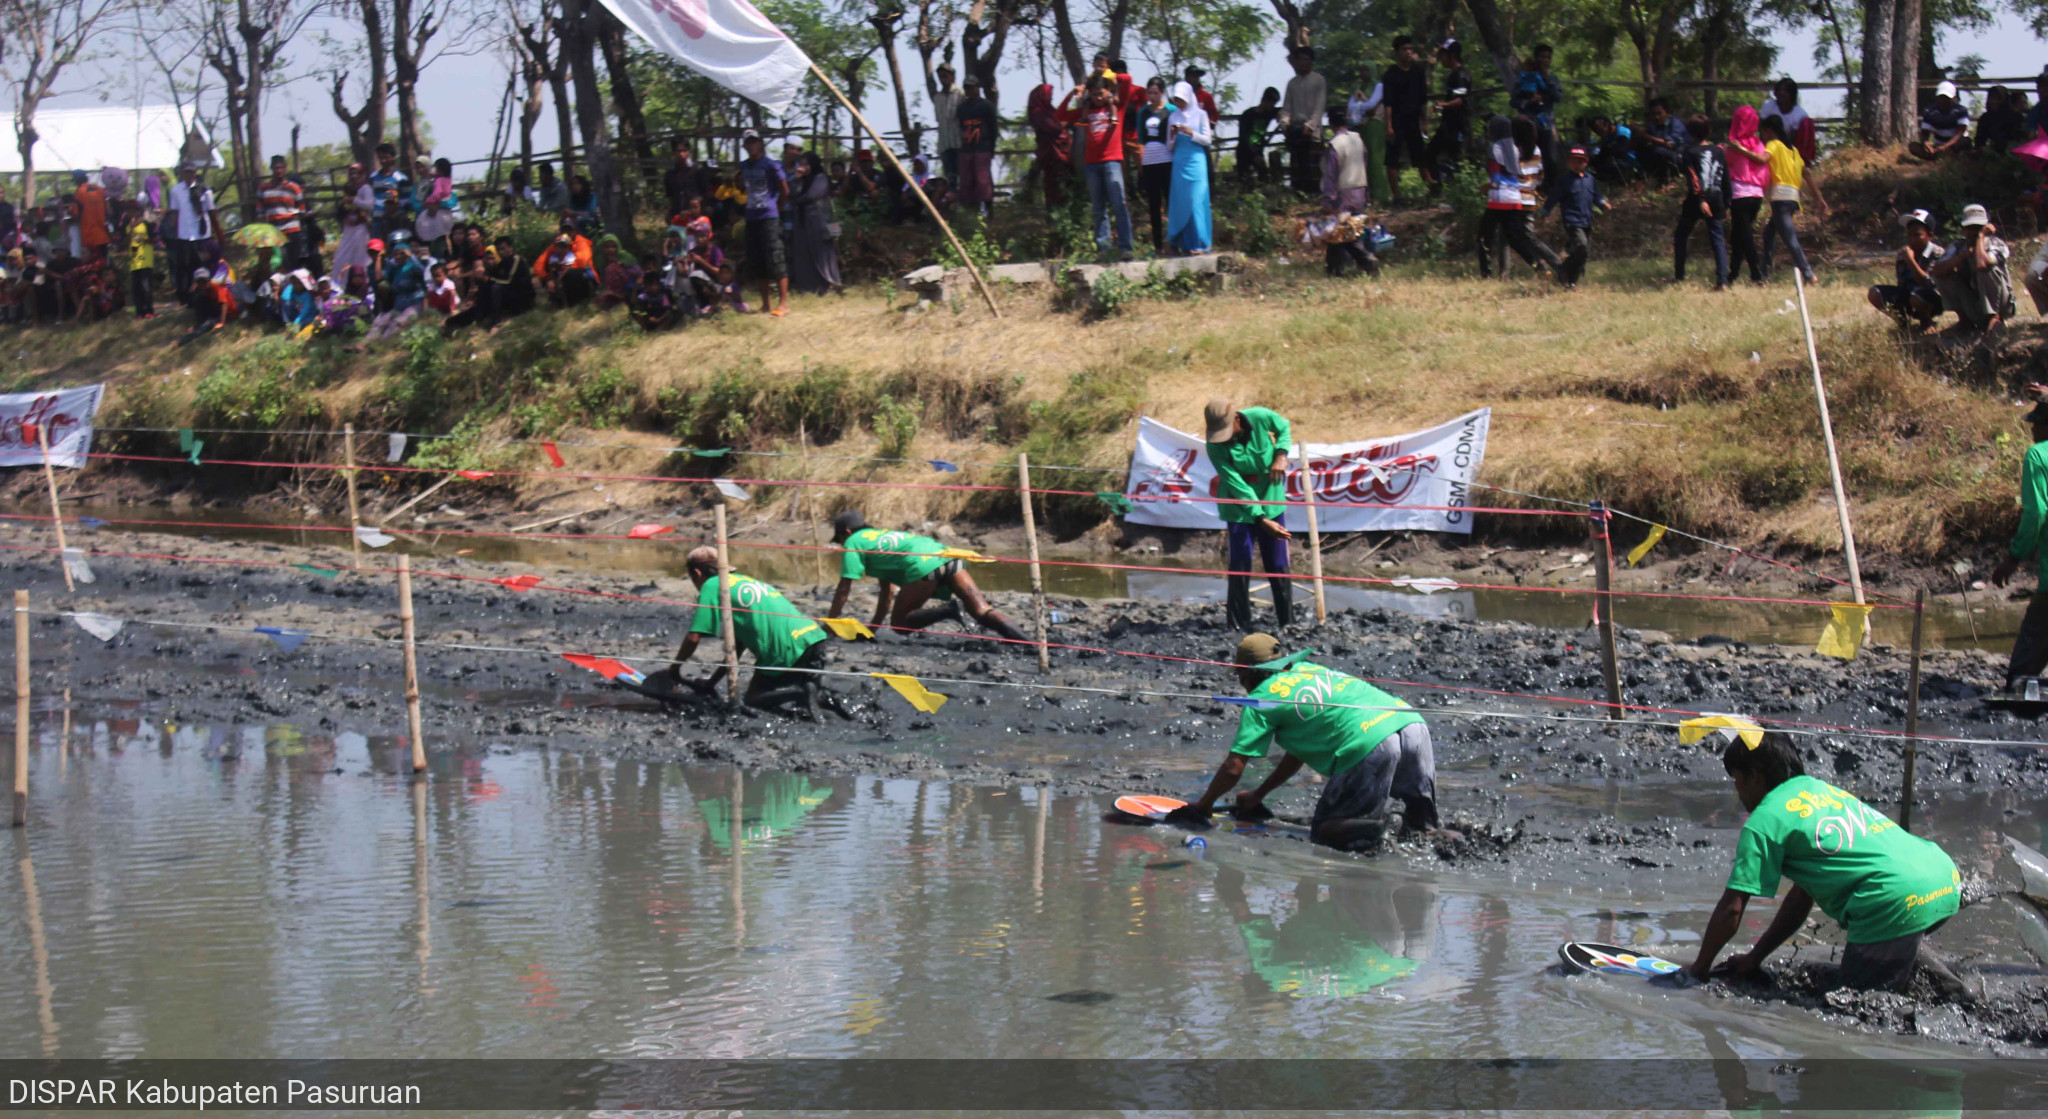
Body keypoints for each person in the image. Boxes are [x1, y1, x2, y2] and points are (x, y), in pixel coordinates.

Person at [1685, 730, 1963, 996]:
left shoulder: (1763, 822)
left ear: (1754, 777)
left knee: (1857, 1009)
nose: (1738, 793)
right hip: (1942, 878)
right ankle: (1960, 993)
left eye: (1737, 781)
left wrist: (1698, 969)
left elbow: (1731, 911)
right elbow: (1799, 900)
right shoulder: (1821, 790)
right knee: (1894, 936)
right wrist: (1755, 957)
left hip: (1892, 897)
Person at [1162, 634, 1442, 851]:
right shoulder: (1309, 670)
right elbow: (1298, 753)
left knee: (1322, 831)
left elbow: (1234, 767)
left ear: (1245, 674)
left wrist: (1202, 807)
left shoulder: (1261, 699)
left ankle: (1383, 826)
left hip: (1371, 740)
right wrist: (1259, 794)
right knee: (1425, 829)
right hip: (1411, 724)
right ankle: (1438, 835)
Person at [672, 547, 838, 718]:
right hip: (813, 636)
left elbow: (694, 637)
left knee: (753, 699)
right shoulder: (743, 580)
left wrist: (674, 669)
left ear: (697, 573)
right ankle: (824, 704)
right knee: (811, 707)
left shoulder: (712, 585)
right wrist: (712, 683)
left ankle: (800, 693)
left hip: (785, 646)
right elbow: (735, 648)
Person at [826, 510, 1030, 642]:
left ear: (846, 531)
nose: (842, 544)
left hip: (924, 563)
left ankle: (948, 610)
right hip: (946, 554)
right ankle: (1032, 645)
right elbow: (886, 591)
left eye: (841, 539)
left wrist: (830, 623)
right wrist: (873, 629)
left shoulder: (854, 542)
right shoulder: (880, 538)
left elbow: (844, 588)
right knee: (982, 611)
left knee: (899, 626)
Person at [1205, 398, 1294, 630]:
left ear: (1237, 419)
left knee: (1277, 562)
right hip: (1238, 505)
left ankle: (1288, 622)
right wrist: (1259, 518)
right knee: (1240, 561)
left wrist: (1280, 455)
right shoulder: (1214, 445)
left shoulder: (1260, 416)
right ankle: (1237, 625)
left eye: (1227, 431)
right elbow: (1235, 483)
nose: (1225, 438)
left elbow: (1284, 427)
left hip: (1271, 497)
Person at [1996, 399, 2048, 690]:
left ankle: (2019, 689)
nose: (2032, 431)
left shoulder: (2038, 455)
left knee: (2037, 628)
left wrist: (2014, 557)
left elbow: (2037, 512)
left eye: (2036, 424)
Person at [1057, 77, 1135, 257]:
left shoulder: (1118, 106)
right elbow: (1060, 115)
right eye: (1094, 95)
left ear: (1108, 92)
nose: (1098, 98)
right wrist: (1071, 93)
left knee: (1119, 204)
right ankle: (1104, 248)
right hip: (1092, 163)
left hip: (1112, 161)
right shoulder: (1085, 111)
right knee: (1098, 207)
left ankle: (1126, 248)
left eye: (1101, 94)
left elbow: (1127, 80)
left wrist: (1107, 74)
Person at [1931, 203, 2014, 331]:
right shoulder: (1958, 246)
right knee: (1944, 276)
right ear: (1963, 228)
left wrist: (1980, 238)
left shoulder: (1997, 244)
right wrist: (1963, 256)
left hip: (2001, 304)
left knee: (1986, 270)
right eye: (1969, 227)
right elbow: (1936, 271)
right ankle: (1965, 320)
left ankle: (1994, 317)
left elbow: (1982, 265)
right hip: (1973, 302)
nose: (1974, 231)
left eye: (1978, 227)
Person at [736, 131, 790, 316]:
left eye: (754, 142)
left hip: (769, 217)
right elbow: (741, 186)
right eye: (748, 143)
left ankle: (783, 303)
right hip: (752, 217)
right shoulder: (743, 166)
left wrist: (778, 208)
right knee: (757, 260)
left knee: (776, 258)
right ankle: (765, 304)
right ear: (744, 146)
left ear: (760, 143)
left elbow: (785, 189)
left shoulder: (771, 165)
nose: (751, 145)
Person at [1758, 115, 1817, 286]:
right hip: (1793, 197)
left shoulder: (1773, 144)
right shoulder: (1793, 150)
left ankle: (1808, 274)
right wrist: (1819, 198)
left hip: (1781, 197)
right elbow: (1807, 173)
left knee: (1790, 238)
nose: (1762, 135)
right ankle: (1763, 275)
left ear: (1769, 131)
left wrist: (1741, 150)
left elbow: (1763, 159)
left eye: (1763, 132)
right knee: (1768, 234)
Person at [1674, 113, 1729, 290]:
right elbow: (1725, 179)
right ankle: (1723, 281)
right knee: (1717, 239)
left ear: (1690, 133)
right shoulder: (1719, 151)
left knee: (1681, 235)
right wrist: (1727, 203)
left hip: (1697, 200)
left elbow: (1693, 179)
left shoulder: (1689, 152)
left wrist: (1701, 200)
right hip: (1717, 197)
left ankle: (1679, 276)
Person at [1539, 146, 1606, 288]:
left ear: (1586, 162)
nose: (1577, 164)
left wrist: (1603, 203)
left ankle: (1570, 281)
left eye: (1580, 161)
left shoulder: (1590, 180)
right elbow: (1553, 198)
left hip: (1587, 220)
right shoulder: (1564, 180)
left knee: (1582, 254)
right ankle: (1563, 269)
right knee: (1582, 246)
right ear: (1569, 163)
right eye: (1574, 161)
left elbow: (1597, 196)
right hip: (1572, 220)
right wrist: (1544, 212)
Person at [1868, 210, 1942, 330]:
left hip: (1932, 300)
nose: (1911, 239)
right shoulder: (1903, 254)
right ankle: (1902, 322)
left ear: (1930, 236)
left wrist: (1911, 261)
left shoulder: (1937, 254)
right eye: (1909, 235)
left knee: (1917, 296)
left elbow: (1928, 283)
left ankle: (1927, 322)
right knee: (1874, 293)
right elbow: (1901, 283)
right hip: (1910, 296)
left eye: (1917, 235)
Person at [1167, 81, 1214, 255]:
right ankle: (1181, 242)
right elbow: (1169, 146)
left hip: (1196, 160)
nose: (1179, 103)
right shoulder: (1173, 116)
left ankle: (1200, 242)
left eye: (1181, 99)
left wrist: (1190, 132)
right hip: (1180, 161)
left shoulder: (1201, 114)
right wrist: (1172, 136)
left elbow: (1207, 140)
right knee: (1181, 201)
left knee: (1197, 200)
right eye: (1176, 100)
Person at [1724, 105, 1770, 286]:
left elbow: (1727, 163)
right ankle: (1732, 275)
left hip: (1740, 194)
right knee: (1738, 236)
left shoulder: (1734, 145)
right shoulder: (1759, 144)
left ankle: (1756, 274)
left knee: (1745, 236)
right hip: (1757, 195)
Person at [1278, 46, 1328, 196]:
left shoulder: (1318, 80)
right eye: (1300, 60)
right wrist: (1284, 123)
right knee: (1297, 166)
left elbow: (1320, 107)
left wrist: (1310, 125)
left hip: (1312, 131)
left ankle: (1315, 195)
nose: (1303, 63)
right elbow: (1286, 107)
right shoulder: (1292, 83)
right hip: (1295, 129)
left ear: (1311, 62)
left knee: (1313, 167)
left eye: (1306, 60)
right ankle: (1299, 194)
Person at [1381, 37, 1429, 194]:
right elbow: (1387, 103)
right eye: (1404, 49)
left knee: (1421, 157)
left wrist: (1425, 122)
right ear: (1397, 52)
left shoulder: (1418, 72)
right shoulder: (1390, 74)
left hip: (1414, 120)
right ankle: (1397, 196)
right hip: (1396, 121)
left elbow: (1423, 100)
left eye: (1410, 49)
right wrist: (1388, 127)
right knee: (1393, 160)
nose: (1408, 52)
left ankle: (1431, 189)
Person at [164, 163, 217, 304]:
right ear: (182, 174)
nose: (189, 175)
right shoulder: (176, 190)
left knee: (200, 265)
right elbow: (175, 212)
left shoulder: (205, 190)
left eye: (191, 172)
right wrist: (175, 232)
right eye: (186, 172)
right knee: (184, 266)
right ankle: (184, 296)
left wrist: (217, 233)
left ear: (195, 173)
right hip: (184, 233)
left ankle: (201, 294)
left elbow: (211, 212)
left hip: (201, 234)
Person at [789, 152, 842, 295]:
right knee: (805, 254)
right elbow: (792, 193)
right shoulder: (801, 180)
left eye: (806, 164)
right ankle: (810, 286)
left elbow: (811, 196)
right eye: (801, 164)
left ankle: (829, 284)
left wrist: (796, 200)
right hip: (804, 221)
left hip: (820, 222)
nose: (803, 167)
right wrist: (797, 180)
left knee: (822, 254)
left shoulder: (821, 178)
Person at [1511, 44, 1564, 184]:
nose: (1545, 60)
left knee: (1551, 158)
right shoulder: (1524, 77)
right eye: (1542, 57)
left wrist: (1547, 81)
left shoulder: (1553, 79)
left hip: (1546, 123)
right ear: (1536, 58)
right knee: (1526, 157)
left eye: (1548, 58)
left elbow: (1558, 97)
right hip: (1527, 124)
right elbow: (1514, 101)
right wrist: (1528, 102)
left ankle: (1548, 188)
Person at [1425, 40, 1472, 191]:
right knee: (1430, 155)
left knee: (1456, 159)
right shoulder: (1453, 75)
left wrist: (1443, 105)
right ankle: (1440, 186)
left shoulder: (1461, 75)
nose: (1441, 59)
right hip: (1448, 125)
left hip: (1457, 126)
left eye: (1443, 55)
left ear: (1452, 55)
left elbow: (1459, 100)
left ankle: (1454, 190)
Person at [1135, 79, 1174, 253]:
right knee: (1154, 204)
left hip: (1167, 160)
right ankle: (1157, 245)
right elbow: (1141, 139)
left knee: (1170, 201)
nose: (1152, 96)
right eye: (1149, 92)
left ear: (1162, 93)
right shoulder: (1143, 112)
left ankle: (1173, 241)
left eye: (1155, 93)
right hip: (1149, 160)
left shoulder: (1171, 110)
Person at [954, 75, 999, 216]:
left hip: (982, 148)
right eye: (966, 88)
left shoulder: (987, 106)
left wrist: (991, 148)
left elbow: (993, 129)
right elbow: (961, 126)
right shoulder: (962, 108)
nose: (969, 90)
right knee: (966, 180)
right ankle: (970, 212)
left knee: (982, 180)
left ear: (977, 88)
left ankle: (988, 210)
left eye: (971, 87)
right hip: (967, 148)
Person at [1347, 63, 1390, 205]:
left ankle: (1380, 195)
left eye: (1365, 69)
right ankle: (1366, 196)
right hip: (1361, 126)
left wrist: (1362, 102)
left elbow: (1371, 107)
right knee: (1363, 161)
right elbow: (1350, 106)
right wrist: (1361, 105)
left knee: (1376, 160)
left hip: (1375, 125)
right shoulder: (1359, 87)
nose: (1362, 73)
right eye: (1361, 69)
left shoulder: (1378, 86)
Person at [1027, 84, 1073, 207]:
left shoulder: (1048, 109)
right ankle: (1055, 210)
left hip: (1060, 150)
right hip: (1050, 152)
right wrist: (1067, 121)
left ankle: (1064, 208)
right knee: (1053, 182)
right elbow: (1055, 127)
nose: (1050, 98)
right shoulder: (1038, 112)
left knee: (1063, 180)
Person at [258, 155, 306, 270]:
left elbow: (302, 209)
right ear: (271, 169)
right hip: (275, 233)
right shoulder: (263, 189)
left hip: (292, 231)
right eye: (275, 168)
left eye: (281, 168)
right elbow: (260, 213)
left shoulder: (294, 188)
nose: (278, 171)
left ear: (285, 168)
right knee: (280, 262)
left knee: (293, 263)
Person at [332, 163, 375, 284]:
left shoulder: (365, 188)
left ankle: (363, 283)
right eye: (351, 173)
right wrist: (345, 217)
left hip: (361, 227)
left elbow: (370, 205)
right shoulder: (348, 188)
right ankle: (341, 282)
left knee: (360, 256)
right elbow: (341, 209)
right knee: (343, 255)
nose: (353, 176)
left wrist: (354, 200)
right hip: (348, 228)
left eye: (356, 173)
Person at [1322, 107, 1369, 215]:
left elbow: (1330, 175)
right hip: (1361, 193)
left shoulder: (1335, 144)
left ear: (1330, 123)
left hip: (1344, 196)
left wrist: (1328, 202)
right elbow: (1365, 164)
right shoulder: (1358, 139)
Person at [1760, 78, 1816, 166]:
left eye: (1784, 91)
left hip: (1788, 147)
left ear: (1791, 95)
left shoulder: (1800, 114)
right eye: (1779, 91)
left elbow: (1793, 138)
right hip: (1767, 143)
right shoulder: (1769, 105)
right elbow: (1762, 127)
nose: (1781, 93)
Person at [1911, 81, 1972, 161]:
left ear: (1953, 98)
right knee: (1913, 146)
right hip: (1939, 144)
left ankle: (1945, 156)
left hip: (1955, 144)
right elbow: (1925, 133)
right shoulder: (1930, 112)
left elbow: (1959, 134)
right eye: (1941, 97)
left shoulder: (1961, 111)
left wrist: (1945, 147)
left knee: (1964, 141)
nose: (1943, 101)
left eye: (1946, 98)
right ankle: (1936, 155)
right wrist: (1926, 143)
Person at [176, 266, 233, 346]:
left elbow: (224, 304)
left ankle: (183, 341)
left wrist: (221, 323)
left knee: (208, 324)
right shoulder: (203, 291)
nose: (201, 284)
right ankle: (198, 326)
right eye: (199, 282)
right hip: (215, 312)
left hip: (229, 314)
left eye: (204, 282)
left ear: (209, 280)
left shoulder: (218, 289)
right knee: (199, 300)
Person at [1637, 99, 1688, 186]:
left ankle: (1665, 180)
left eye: (1659, 113)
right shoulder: (1653, 126)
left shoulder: (1675, 123)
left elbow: (1670, 144)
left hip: (1678, 158)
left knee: (1659, 151)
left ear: (1666, 112)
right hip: (1662, 158)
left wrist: (1648, 137)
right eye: (1653, 114)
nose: (1656, 117)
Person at [1236, 87, 1281, 186]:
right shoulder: (1248, 115)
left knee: (1263, 177)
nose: (1272, 106)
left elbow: (1281, 111)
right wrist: (1254, 154)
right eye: (1271, 103)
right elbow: (1244, 137)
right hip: (1245, 150)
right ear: (1265, 100)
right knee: (1244, 179)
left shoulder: (1269, 113)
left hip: (1258, 149)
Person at [415, 157, 459, 251]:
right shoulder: (447, 180)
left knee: (433, 237)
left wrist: (428, 201)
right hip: (446, 215)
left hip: (438, 214)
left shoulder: (438, 181)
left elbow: (437, 193)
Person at [368, 143, 413, 237]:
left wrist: (394, 209)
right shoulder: (373, 177)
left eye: (386, 157)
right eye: (380, 158)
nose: (383, 161)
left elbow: (406, 200)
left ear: (393, 158)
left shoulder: (401, 178)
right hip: (377, 221)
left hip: (395, 221)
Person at [664, 140, 713, 220]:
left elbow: (705, 192)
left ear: (688, 152)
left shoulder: (698, 169)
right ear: (673, 152)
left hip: (696, 216)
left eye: (684, 150)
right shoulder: (670, 174)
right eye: (678, 151)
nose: (681, 154)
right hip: (678, 214)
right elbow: (670, 196)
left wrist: (702, 208)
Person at [932, 62, 964, 182]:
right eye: (940, 76)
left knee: (963, 177)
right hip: (944, 144)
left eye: (945, 75)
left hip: (959, 143)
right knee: (949, 179)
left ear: (952, 76)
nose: (943, 79)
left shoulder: (961, 94)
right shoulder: (937, 98)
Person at [72, 170, 109, 266]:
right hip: (102, 235)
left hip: (89, 236)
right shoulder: (100, 190)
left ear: (77, 180)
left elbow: (75, 213)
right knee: (103, 264)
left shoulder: (80, 192)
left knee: (91, 265)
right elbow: (108, 210)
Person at [1975, 86, 2026, 155]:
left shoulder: (2015, 117)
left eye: (1996, 99)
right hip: (1991, 155)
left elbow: (2018, 139)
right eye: (1991, 98)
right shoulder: (1985, 118)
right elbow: (1980, 139)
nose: (1993, 102)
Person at [1588, 115, 1637, 182]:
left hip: (1629, 161)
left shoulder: (1623, 132)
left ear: (1607, 125)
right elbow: (1603, 153)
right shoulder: (1606, 137)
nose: (1597, 132)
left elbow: (1621, 151)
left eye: (1599, 129)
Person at [126, 217, 156, 320]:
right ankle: (139, 312)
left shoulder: (146, 225)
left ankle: (149, 310)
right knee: (136, 288)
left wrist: (144, 239)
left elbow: (155, 240)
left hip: (145, 261)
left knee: (146, 287)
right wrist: (131, 228)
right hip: (134, 262)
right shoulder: (128, 226)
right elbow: (127, 241)